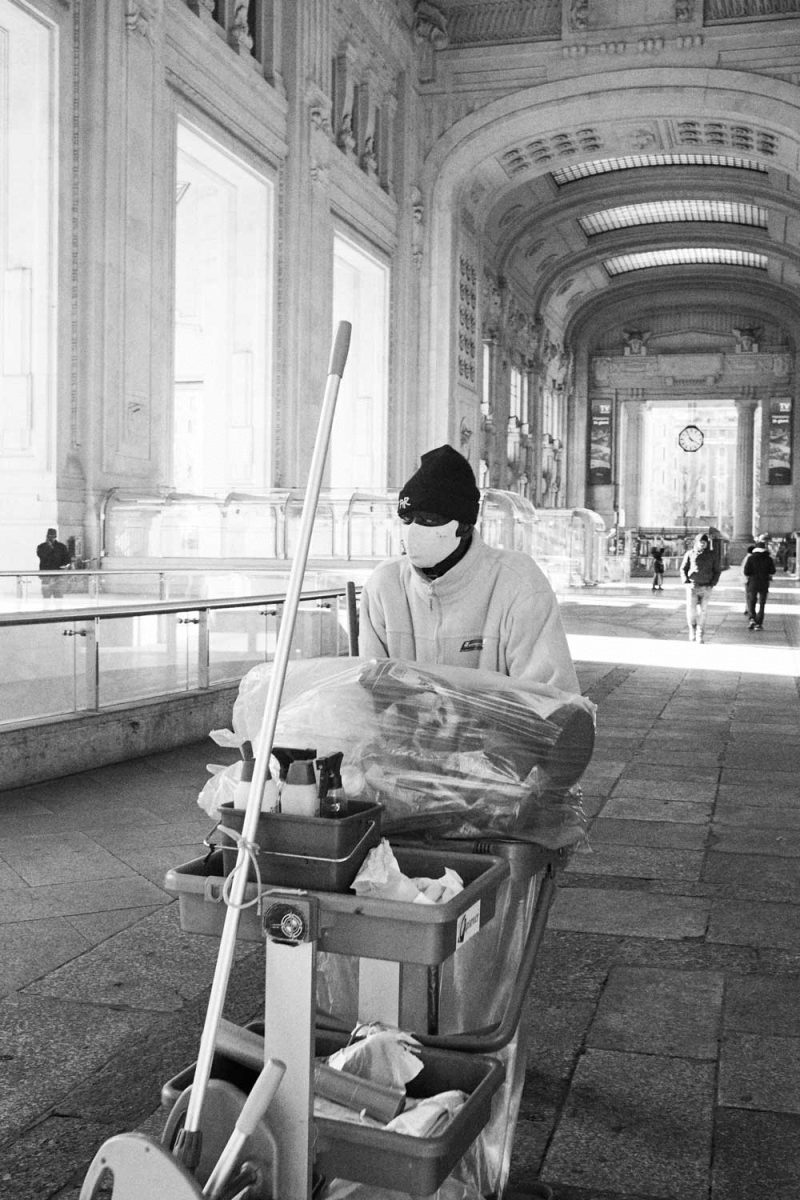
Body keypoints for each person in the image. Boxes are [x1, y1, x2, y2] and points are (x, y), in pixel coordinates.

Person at [358, 443, 579, 692]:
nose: (413, 531)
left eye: (429, 519)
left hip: (493, 731)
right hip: (408, 731)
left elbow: (551, 698)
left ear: (464, 526)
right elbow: (371, 689)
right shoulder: (385, 586)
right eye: (407, 519)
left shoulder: (517, 584)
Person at [679, 532, 720, 643]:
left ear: (707, 543)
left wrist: (713, 583)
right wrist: (685, 581)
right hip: (692, 586)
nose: (702, 544)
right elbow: (683, 569)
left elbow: (717, 570)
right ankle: (692, 629)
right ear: (696, 543)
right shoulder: (690, 554)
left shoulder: (712, 555)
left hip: (706, 587)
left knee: (703, 611)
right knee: (691, 611)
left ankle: (700, 633)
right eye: (700, 542)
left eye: (704, 542)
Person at [743, 537, 775, 630]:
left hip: (753, 583)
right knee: (762, 603)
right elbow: (772, 571)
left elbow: (746, 572)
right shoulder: (769, 559)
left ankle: (752, 619)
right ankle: (759, 623)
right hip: (764, 583)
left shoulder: (751, 558)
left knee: (751, 601)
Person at [35, 527, 70, 598]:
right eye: (49, 536)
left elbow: (67, 559)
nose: (51, 538)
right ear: (47, 536)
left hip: (58, 576)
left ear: (55, 537)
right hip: (46, 576)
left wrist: (65, 566)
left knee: (58, 597)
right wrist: (48, 547)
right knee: (46, 597)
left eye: (53, 536)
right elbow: (42, 556)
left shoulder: (62, 547)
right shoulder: (42, 546)